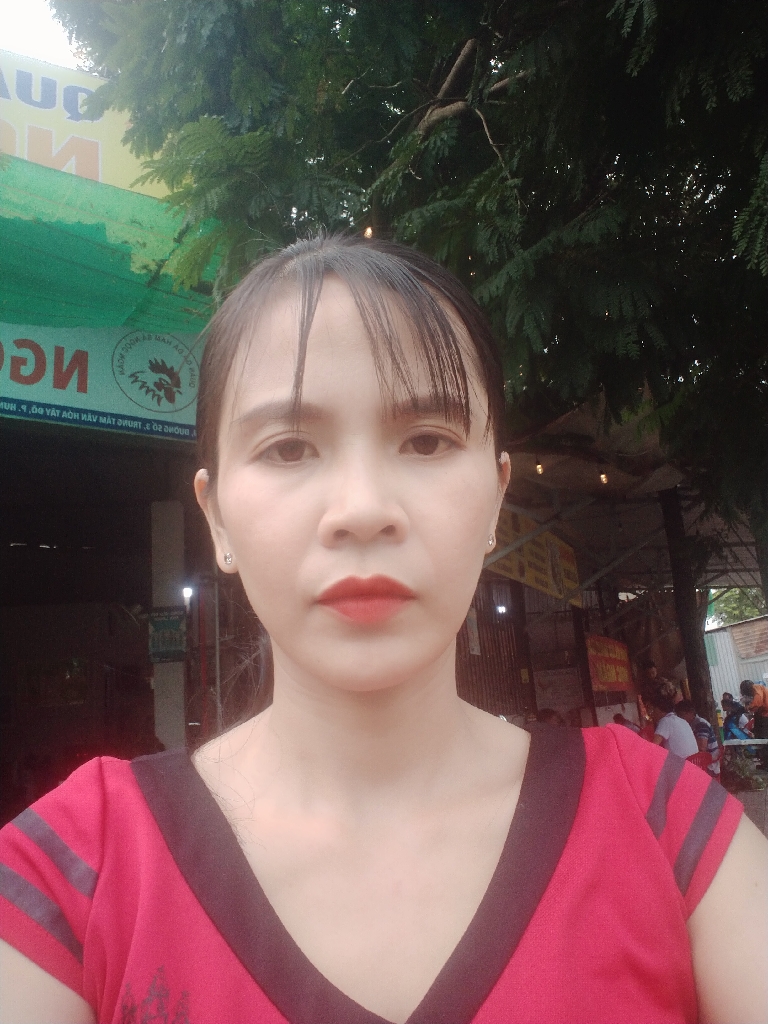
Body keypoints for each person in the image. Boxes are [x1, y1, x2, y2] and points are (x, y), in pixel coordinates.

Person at [1, 235, 766, 1024]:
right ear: (217, 516)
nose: (362, 509)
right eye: (289, 447)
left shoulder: (664, 827)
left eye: (427, 441)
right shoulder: (72, 876)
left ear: (496, 497)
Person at [643, 682, 700, 760]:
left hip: (681, 765)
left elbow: (653, 747)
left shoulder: (665, 721)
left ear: (659, 709)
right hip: (695, 763)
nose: (652, 713)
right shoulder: (682, 721)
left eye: (653, 710)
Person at [674, 700, 721, 776]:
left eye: (682, 715)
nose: (681, 718)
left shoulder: (701, 725)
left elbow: (702, 748)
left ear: (691, 713)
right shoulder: (691, 724)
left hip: (709, 766)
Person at [741, 679, 768, 770]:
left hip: (765, 714)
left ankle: (766, 762)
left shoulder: (757, 692)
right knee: (758, 736)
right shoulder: (755, 689)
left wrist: (749, 707)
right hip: (762, 713)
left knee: (763, 738)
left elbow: (757, 703)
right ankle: (764, 761)